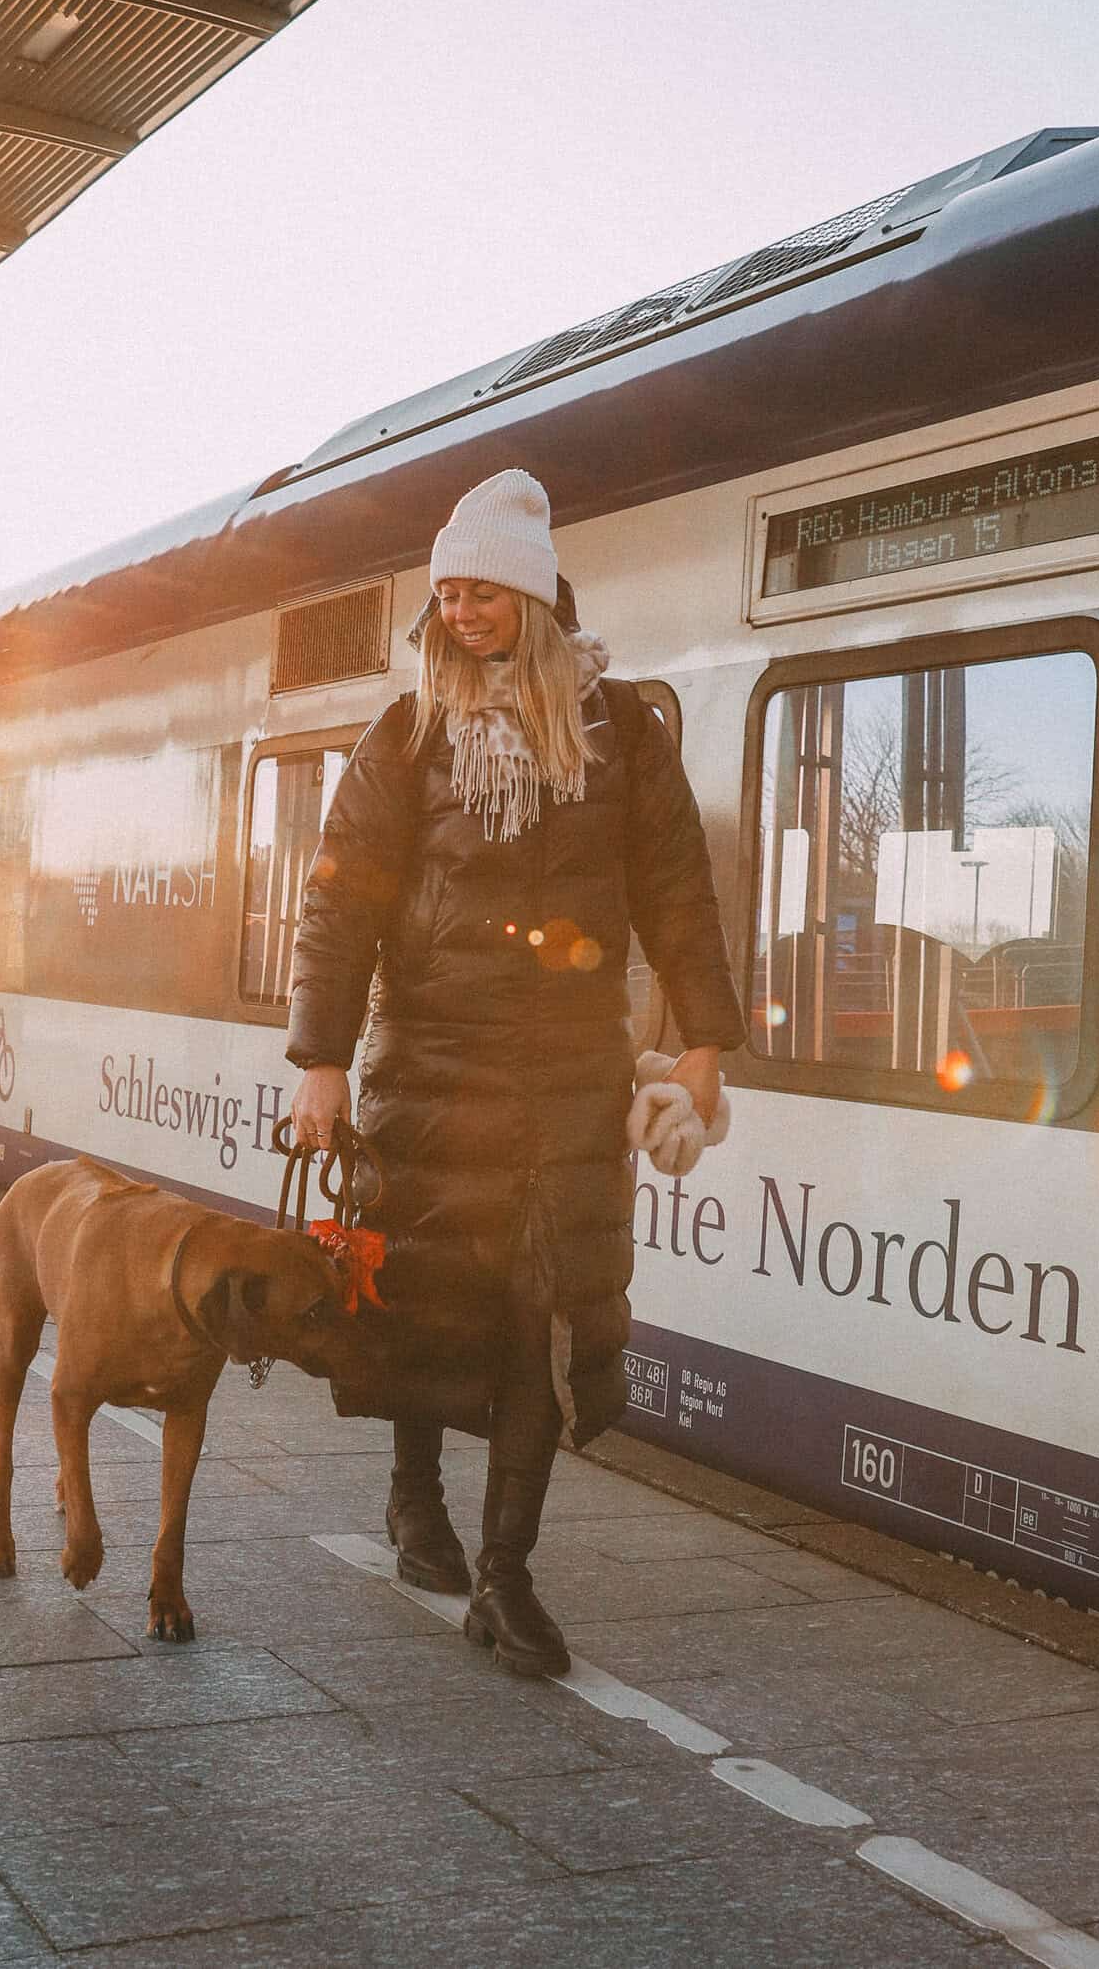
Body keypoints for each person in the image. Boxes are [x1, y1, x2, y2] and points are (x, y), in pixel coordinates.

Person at [286, 468, 745, 1677]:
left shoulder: (618, 733)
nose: (461, 609)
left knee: (545, 1313)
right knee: (425, 1300)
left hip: (567, 1075)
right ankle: (412, 1500)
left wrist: (702, 1039)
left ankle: (505, 1574)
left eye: (482, 588)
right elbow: (337, 909)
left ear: (533, 597)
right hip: (426, 1062)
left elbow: (674, 889)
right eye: (444, 591)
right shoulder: (409, 733)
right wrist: (320, 1063)